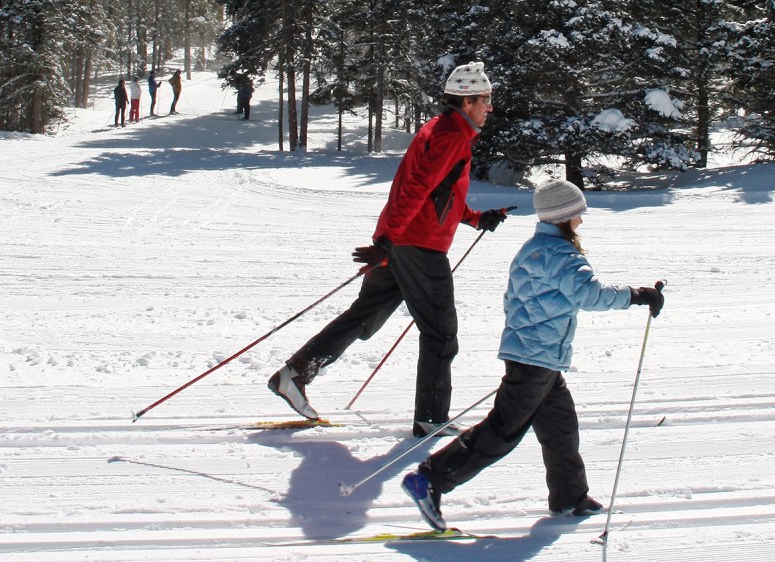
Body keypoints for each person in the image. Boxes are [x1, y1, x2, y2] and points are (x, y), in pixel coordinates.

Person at [400, 179, 665, 531]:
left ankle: (570, 497)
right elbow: (591, 295)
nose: (581, 221)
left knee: (560, 428)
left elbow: (512, 300)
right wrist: (638, 295)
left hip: (536, 357)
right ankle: (431, 478)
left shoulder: (531, 249)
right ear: (562, 218)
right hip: (537, 359)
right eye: (577, 215)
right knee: (502, 431)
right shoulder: (563, 256)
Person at [267, 61, 510, 437]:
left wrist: (476, 218)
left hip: (404, 240)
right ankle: (430, 417)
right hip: (417, 246)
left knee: (364, 316)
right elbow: (416, 189)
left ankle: (295, 374)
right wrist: (388, 242)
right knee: (441, 334)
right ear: (467, 100)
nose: (489, 107)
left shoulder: (445, 130)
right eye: (486, 99)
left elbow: (437, 192)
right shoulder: (451, 136)